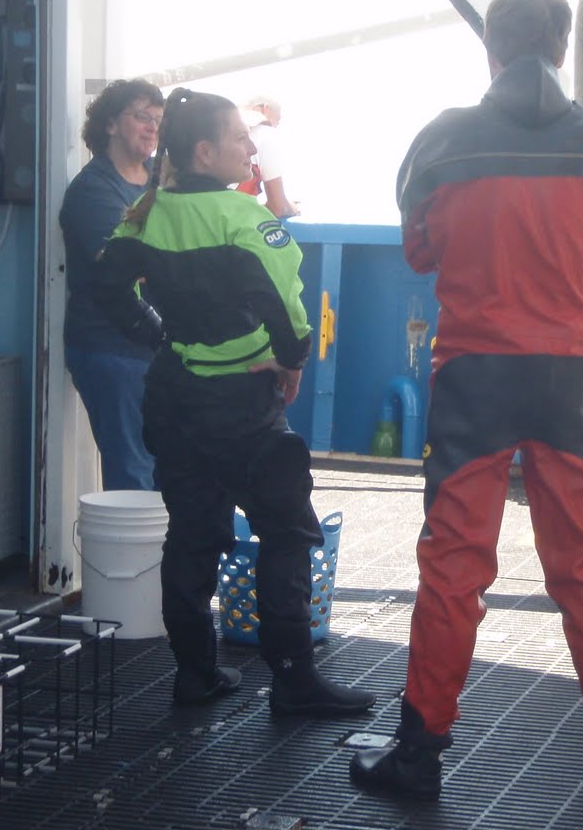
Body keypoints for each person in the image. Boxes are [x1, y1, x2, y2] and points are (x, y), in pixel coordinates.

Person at [349, 0, 583, 799]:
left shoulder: (443, 141)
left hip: (474, 374)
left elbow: (417, 248)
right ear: (563, 46)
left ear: (490, 47)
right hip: (564, 375)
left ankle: (419, 756)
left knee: (455, 564)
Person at [92, 88, 374, 716]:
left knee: (191, 537)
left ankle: (195, 675)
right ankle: (294, 682)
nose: (251, 148)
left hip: (176, 396)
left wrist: (156, 332)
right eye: (239, 139)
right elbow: (286, 307)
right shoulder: (246, 219)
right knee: (286, 533)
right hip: (244, 402)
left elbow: (106, 282)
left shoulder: (144, 211)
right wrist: (293, 359)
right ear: (204, 151)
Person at [59, 79, 164, 493]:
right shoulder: (93, 190)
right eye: (142, 116)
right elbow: (124, 264)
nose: (152, 127)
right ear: (110, 125)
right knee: (133, 473)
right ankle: (133, 559)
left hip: (158, 347)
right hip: (111, 349)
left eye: (158, 120)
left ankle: (163, 559)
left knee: (166, 467)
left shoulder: (160, 179)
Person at [234, 96, 297, 218]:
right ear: (264, 109)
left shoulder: (214, 132)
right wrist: (294, 207)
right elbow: (280, 208)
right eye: (277, 122)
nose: (275, 128)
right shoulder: (265, 133)